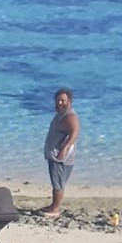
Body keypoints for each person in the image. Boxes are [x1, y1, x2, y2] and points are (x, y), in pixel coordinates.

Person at [41, 88, 81, 217]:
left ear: (69, 101)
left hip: (60, 156)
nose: (59, 103)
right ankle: (54, 205)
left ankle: (55, 209)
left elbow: (75, 133)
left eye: (63, 100)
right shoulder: (62, 114)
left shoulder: (70, 116)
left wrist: (64, 149)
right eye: (57, 100)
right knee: (57, 182)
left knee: (58, 183)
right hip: (58, 154)